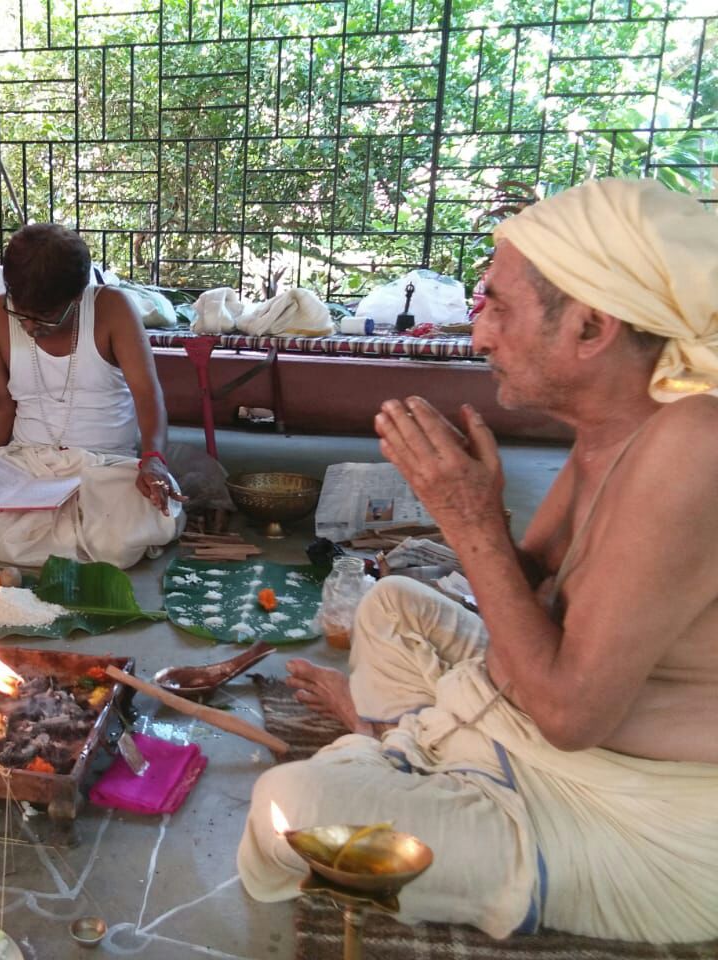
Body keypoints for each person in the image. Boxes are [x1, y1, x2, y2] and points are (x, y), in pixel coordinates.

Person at [237, 179, 718, 943]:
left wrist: (470, 523)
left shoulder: (693, 444)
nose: (479, 336)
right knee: (389, 606)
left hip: (632, 815)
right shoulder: (609, 430)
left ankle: (386, 745)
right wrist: (481, 513)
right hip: (524, 720)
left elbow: (569, 715)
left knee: (287, 808)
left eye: (498, 307)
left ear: (591, 327)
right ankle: (399, 745)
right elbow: (532, 598)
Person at [0, 224, 185, 567]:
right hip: (25, 461)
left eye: (44, 317)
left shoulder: (112, 308)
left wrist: (153, 459)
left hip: (104, 466)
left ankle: (12, 536)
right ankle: (46, 537)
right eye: (20, 311)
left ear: (77, 297)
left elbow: (147, 394)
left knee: (138, 512)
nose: (28, 326)